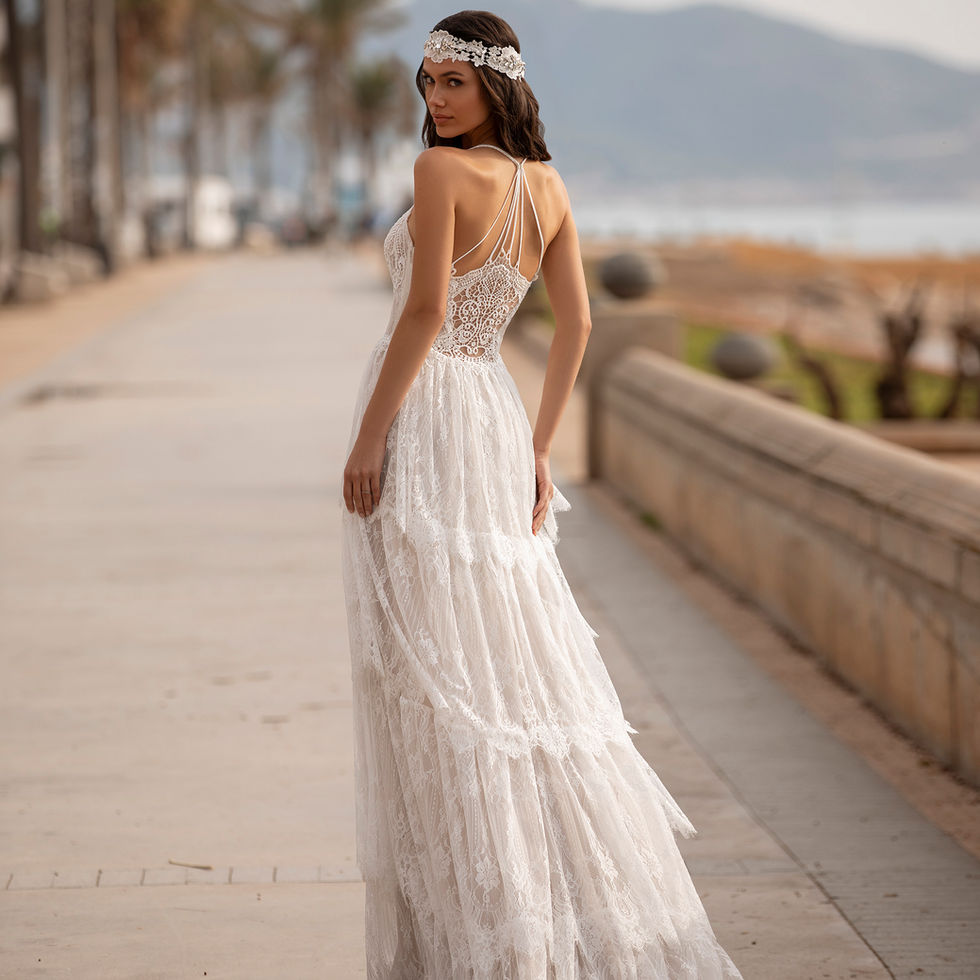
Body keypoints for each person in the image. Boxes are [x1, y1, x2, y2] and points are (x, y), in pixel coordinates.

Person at [340, 10, 745, 978]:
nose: (435, 99)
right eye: (427, 81)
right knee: (497, 654)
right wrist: (538, 444)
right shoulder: (548, 185)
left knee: (437, 664)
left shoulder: (438, 174)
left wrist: (367, 435)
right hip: (488, 415)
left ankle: (479, 932)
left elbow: (429, 309)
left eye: (453, 83)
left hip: (430, 415)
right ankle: (514, 912)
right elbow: (575, 325)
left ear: (497, 90)